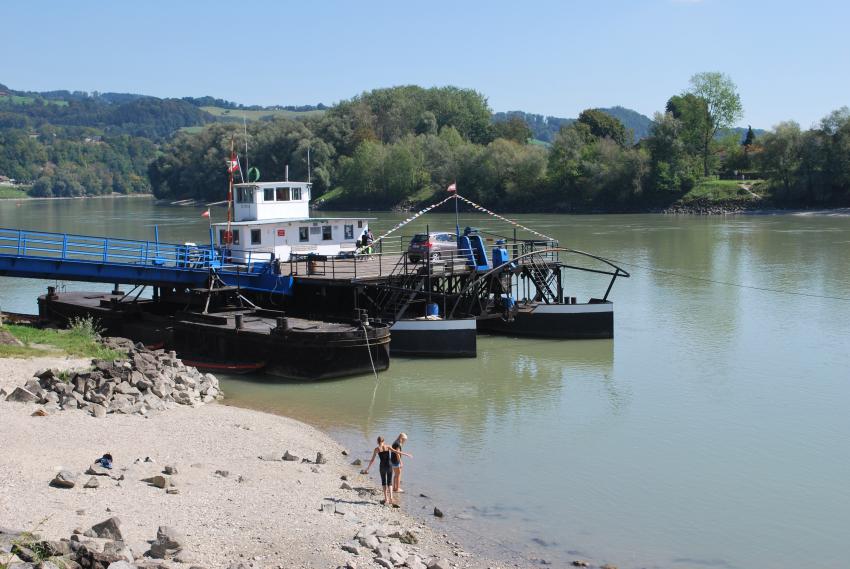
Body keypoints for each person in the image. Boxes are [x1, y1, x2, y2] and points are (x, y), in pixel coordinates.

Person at [363, 436, 403, 506]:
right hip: (389, 466)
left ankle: (386, 499)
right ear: (383, 441)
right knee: (390, 483)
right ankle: (391, 498)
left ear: (377, 442)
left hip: (382, 467)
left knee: (384, 482)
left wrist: (368, 468)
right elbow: (396, 452)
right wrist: (404, 457)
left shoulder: (376, 449)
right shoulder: (388, 446)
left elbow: (372, 460)